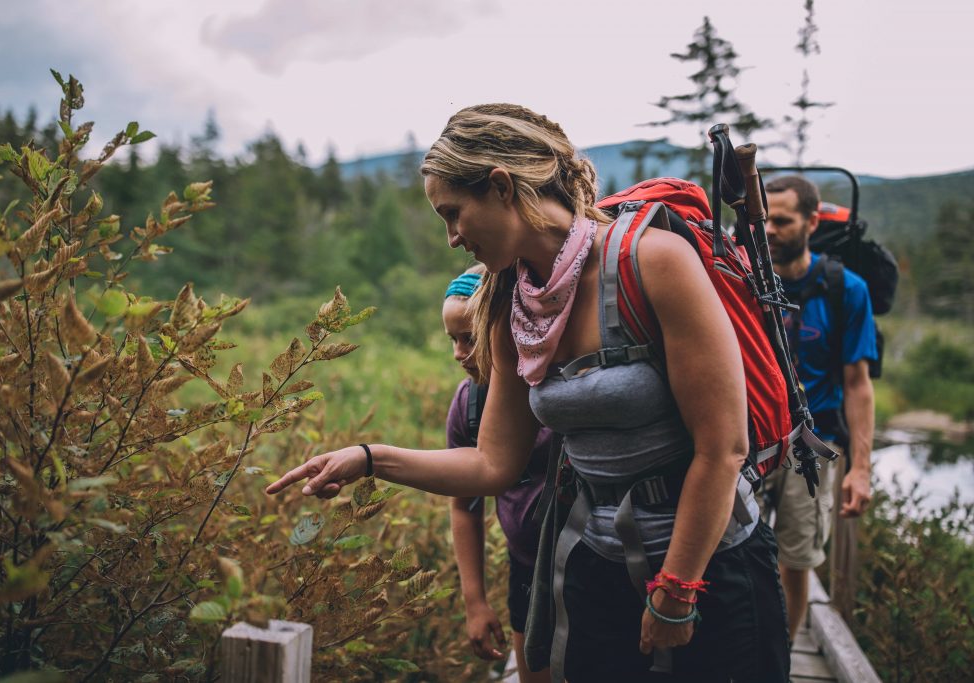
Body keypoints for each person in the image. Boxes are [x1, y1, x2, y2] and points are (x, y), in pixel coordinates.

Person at [267, 104, 789, 682]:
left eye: (453, 214)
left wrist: (677, 591)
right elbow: (494, 464)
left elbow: (723, 448)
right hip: (598, 563)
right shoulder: (510, 304)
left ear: (500, 186)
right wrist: (370, 460)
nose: (450, 238)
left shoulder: (652, 263)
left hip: (714, 563)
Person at [763, 175, 876, 643]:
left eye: (782, 221)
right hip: (749, 440)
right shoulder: (745, 282)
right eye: (763, 218)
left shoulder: (844, 289)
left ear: (811, 222)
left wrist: (861, 468)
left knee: (797, 559)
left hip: (812, 443)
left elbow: (858, 383)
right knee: (722, 549)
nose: (769, 229)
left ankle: (783, 658)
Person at [442, 265, 553, 683]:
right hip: (524, 568)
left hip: (587, 566)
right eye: (452, 340)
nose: (457, 352)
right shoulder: (468, 406)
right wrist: (475, 601)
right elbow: (465, 506)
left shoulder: (552, 395)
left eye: (468, 338)